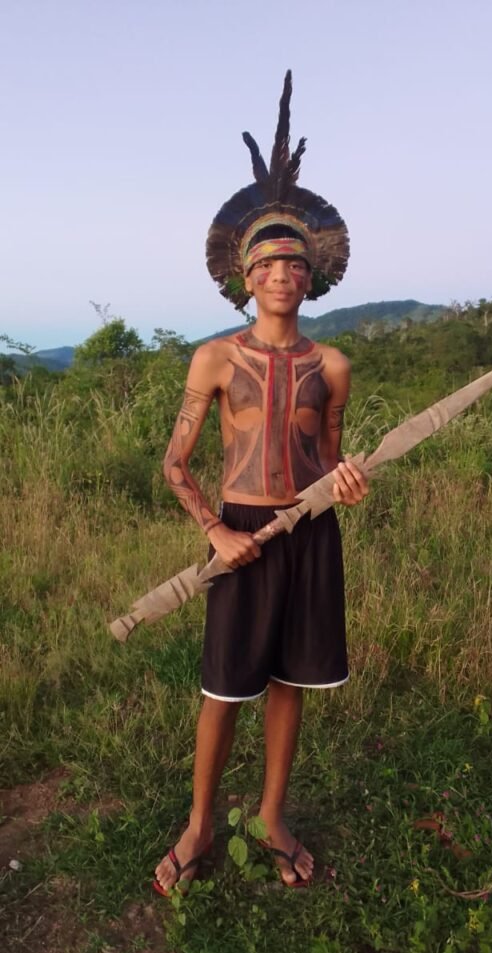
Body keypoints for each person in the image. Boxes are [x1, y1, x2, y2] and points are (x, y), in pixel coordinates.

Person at [154, 72, 368, 894]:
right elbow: (175, 464)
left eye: (296, 262)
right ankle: (201, 824)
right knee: (224, 686)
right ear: (245, 276)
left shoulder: (333, 365)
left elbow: (330, 461)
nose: (283, 273)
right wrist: (216, 530)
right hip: (240, 531)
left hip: (309, 533)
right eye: (269, 262)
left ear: (312, 278)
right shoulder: (214, 358)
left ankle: (273, 814)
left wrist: (344, 485)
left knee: (289, 681)